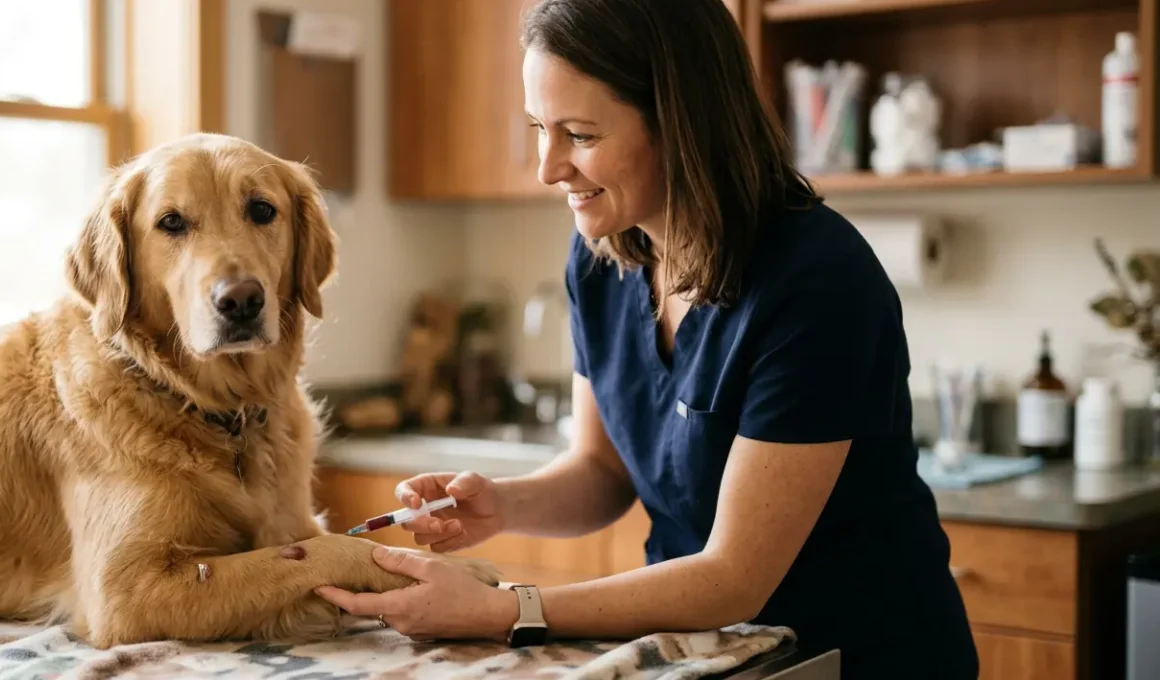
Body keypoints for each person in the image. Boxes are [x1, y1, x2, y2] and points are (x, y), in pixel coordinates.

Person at [315, 0, 979, 677]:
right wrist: (501, 505)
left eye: (578, 134)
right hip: (706, 655)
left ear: (680, 123)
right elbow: (602, 472)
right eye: (539, 128)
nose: (548, 168)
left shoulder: (816, 282)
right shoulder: (602, 257)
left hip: (857, 656)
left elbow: (732, 579)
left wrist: (506, 609)